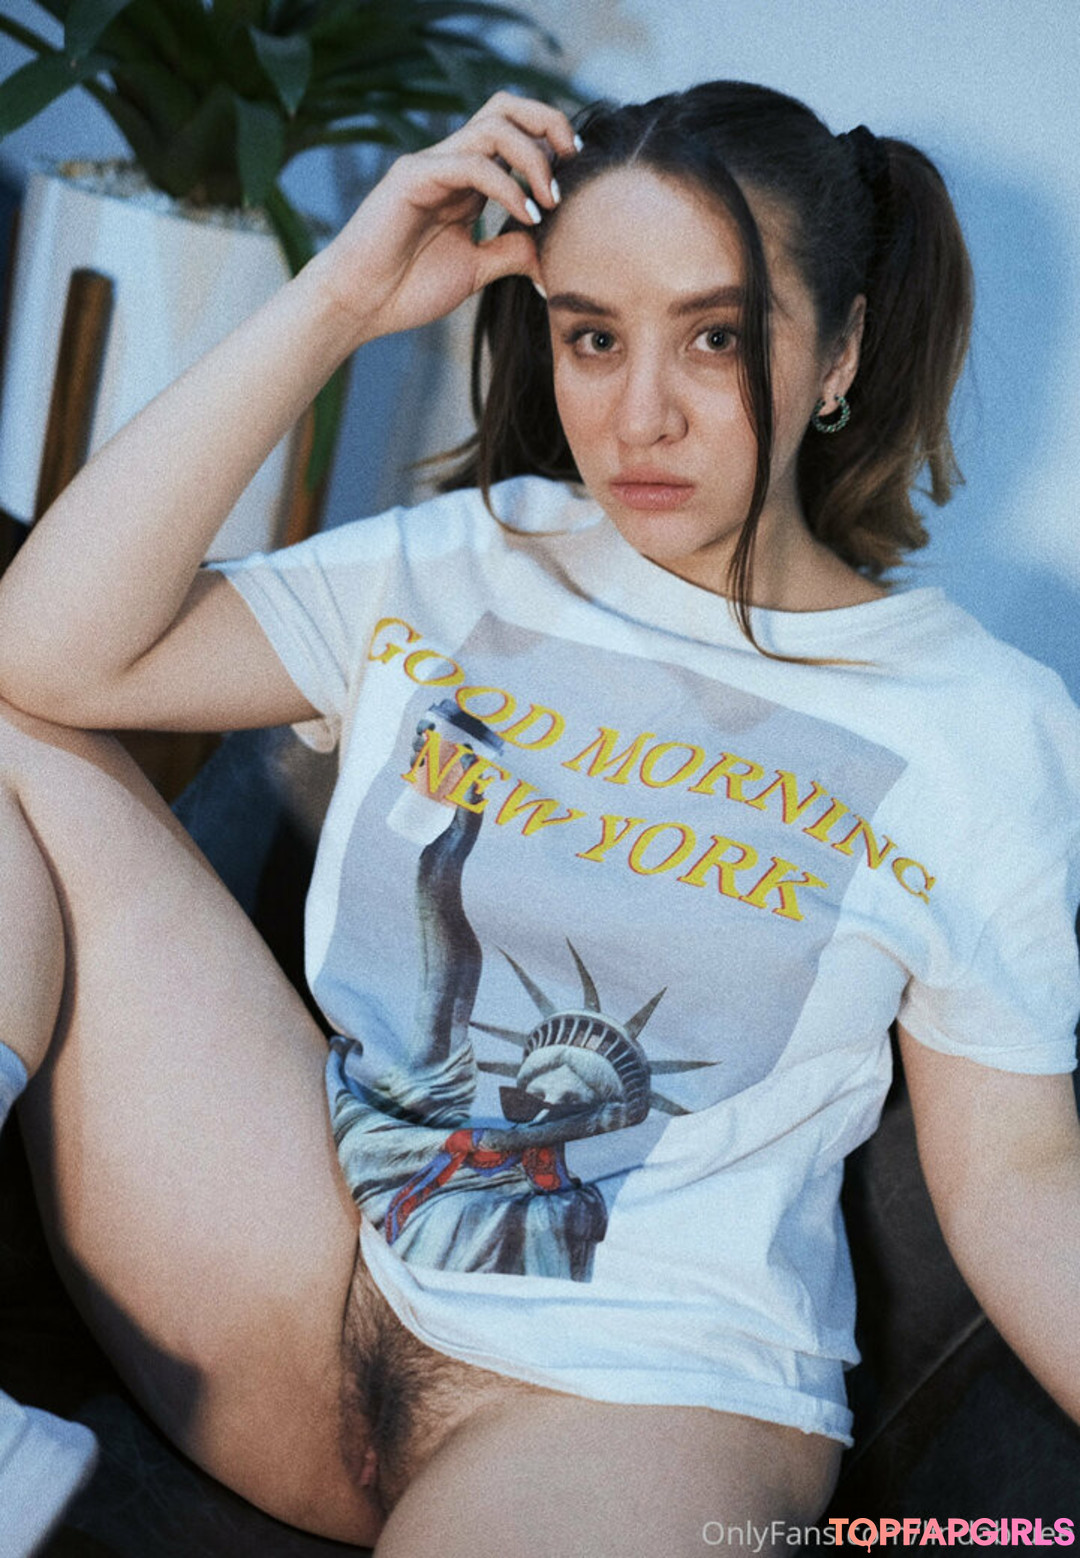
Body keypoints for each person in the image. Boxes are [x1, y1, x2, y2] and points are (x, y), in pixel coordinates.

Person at [0, 79, 1077, 1556]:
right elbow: (43, 655)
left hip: (635, 1399)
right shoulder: (472, 560)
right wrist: (339, 298)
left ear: (840, 349)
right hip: (301, 1268)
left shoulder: (976, 722)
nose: (641, 415)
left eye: (716, 336)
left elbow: (1019, 1179)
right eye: (593, 337)